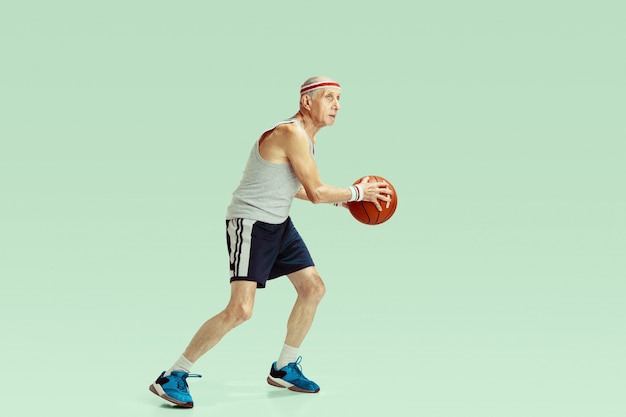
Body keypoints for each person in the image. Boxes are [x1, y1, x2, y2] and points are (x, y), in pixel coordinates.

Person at [149, 76, 392, 408]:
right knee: (240, 310)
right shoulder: (291, 133)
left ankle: (284, 368)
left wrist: (342, 201)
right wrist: (358, 193)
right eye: (329, 97)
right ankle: (172, 375)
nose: (336, 105)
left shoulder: (306, 138)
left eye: (340, 98)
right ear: (307, 101)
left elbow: (292, 187)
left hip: (279, 222)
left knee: (313, 288)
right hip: (252, 223)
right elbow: (318, 191)